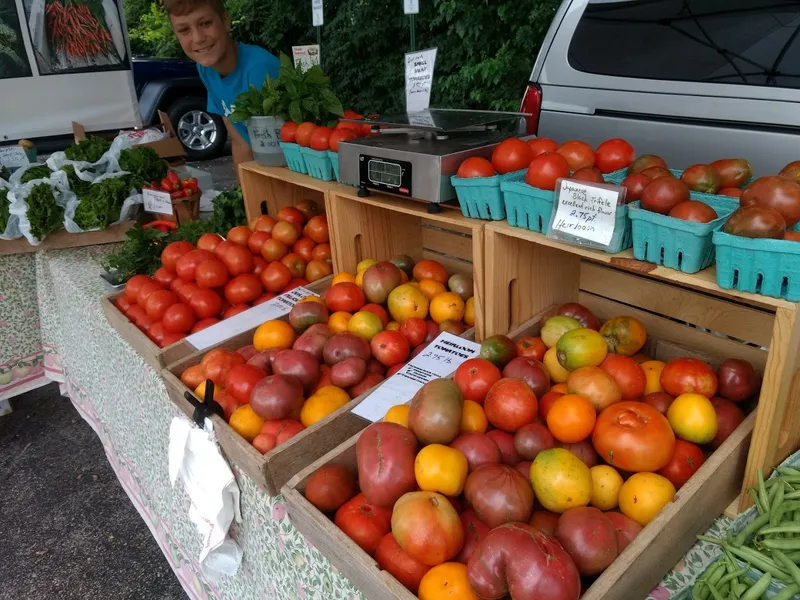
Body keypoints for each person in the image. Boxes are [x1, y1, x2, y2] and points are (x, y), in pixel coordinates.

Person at [164, 0, 280, 170]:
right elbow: (240, 141)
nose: (198, 38)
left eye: (205, 23)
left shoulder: (260, 69)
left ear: (225, 20)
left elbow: (281, 153)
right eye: (184, 30)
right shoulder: (206, 69)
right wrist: (242, 192)